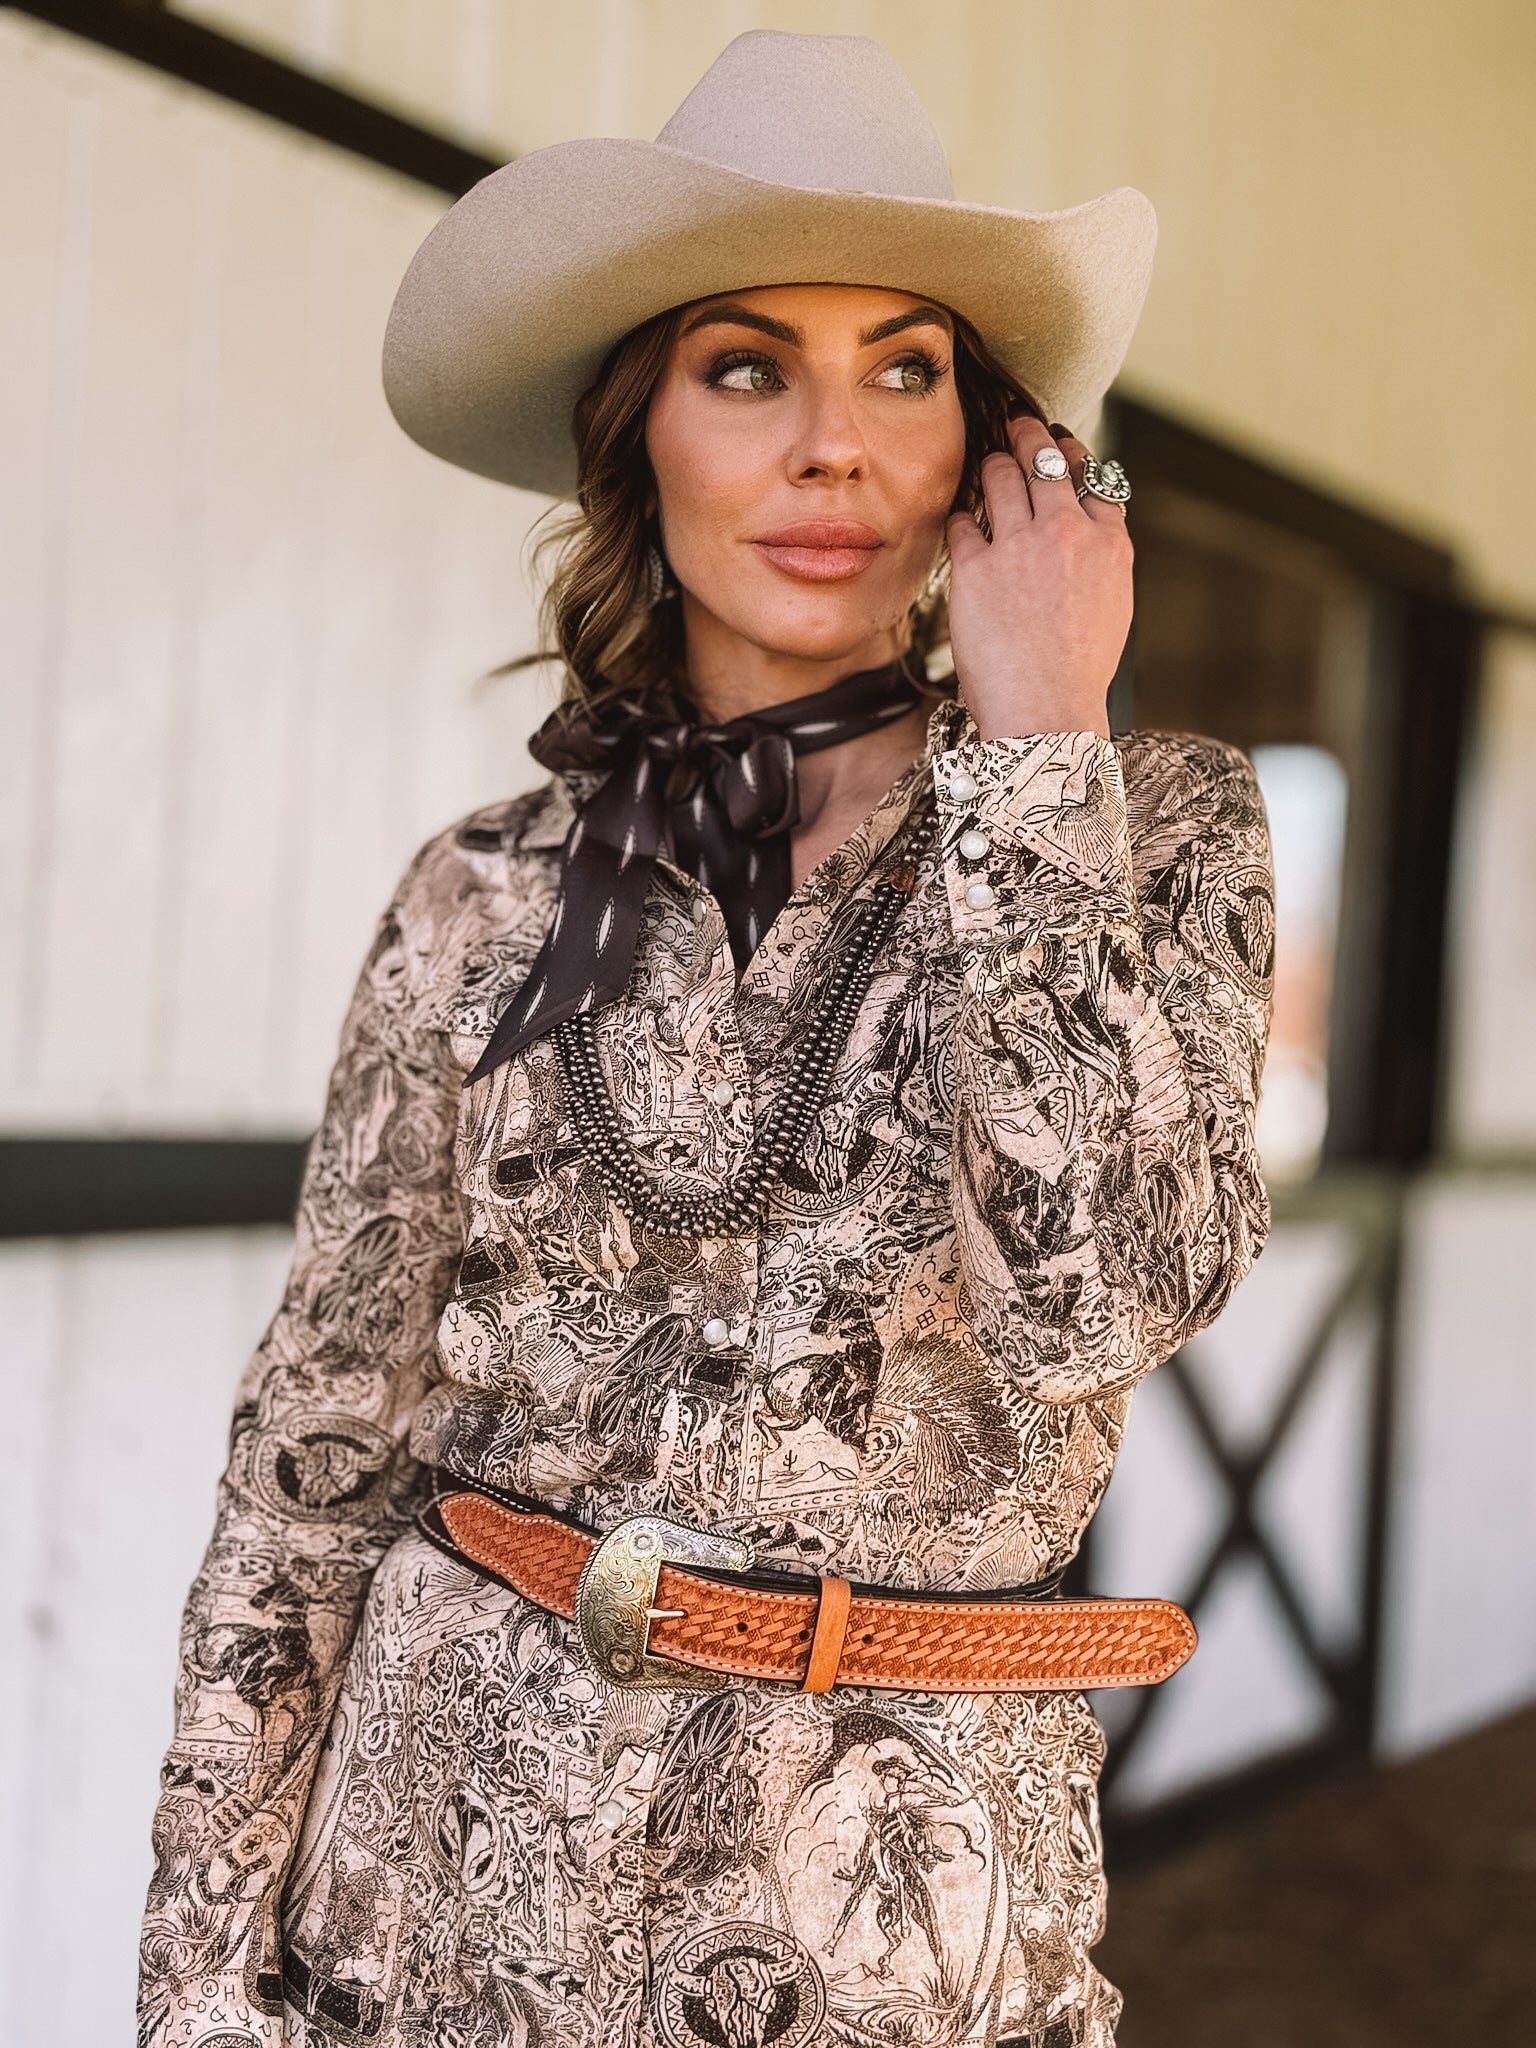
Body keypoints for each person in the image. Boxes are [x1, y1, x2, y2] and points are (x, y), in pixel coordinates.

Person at [139, 31, 1273, 2048]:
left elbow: (1100, 1297)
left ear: (996, 452)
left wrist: (1035, 753)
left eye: (905, 370)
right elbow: (309, 1466)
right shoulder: (480, 895)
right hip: (433, 1911)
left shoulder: (1152, 822)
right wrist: (204, 1982)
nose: (833, 447)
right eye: (748, 365)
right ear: (634, 429)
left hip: (893, 1948)